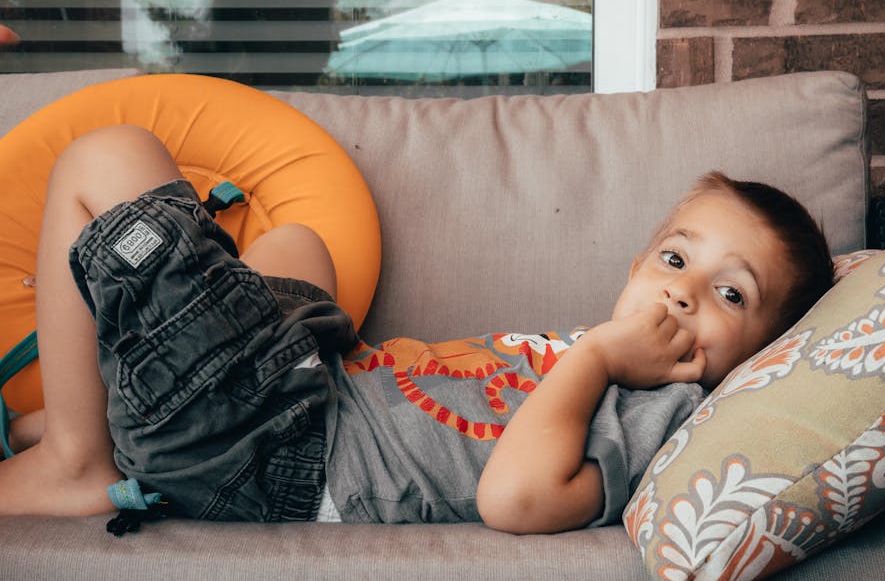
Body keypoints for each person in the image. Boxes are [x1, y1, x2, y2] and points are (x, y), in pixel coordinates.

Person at [0, 124, 834, 534]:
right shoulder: (609, 358)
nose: (684, 295)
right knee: (299, 245)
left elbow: (514, 497)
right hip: (313, 383)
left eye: (731, 295)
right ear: (634, 265)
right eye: (676, 258)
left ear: (763, 356)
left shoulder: (663, 417)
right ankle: (116, 409)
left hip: (273, 449)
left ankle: (77, 456)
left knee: (104, 159)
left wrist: (597, 355)